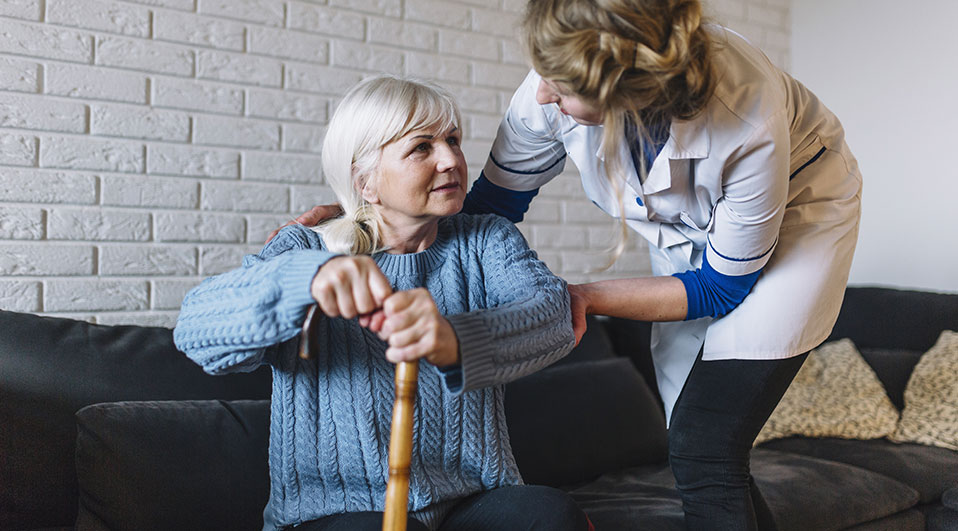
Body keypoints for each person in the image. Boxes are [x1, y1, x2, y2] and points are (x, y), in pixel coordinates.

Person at [283, 1, 863, 529]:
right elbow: (491, 206)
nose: (540, 94)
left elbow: (719, 287)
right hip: (698, 241)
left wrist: (584, 296)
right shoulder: (548, 86)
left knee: (704, 441)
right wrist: (367, 211)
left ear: (624, 90)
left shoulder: (747, 119)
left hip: (799, 215)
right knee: (701, 444)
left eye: (559, 87)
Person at [174, 75, 592, 531]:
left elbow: (553, 313)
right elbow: (196, 331)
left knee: (548, 515)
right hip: (336, 511)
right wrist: (305, 280)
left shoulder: (484, 239)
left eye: (452, 140)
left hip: (469, 502)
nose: (451, 160)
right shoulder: (305, 248)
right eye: (422, 148)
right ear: (365, 180)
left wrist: (454, 339)